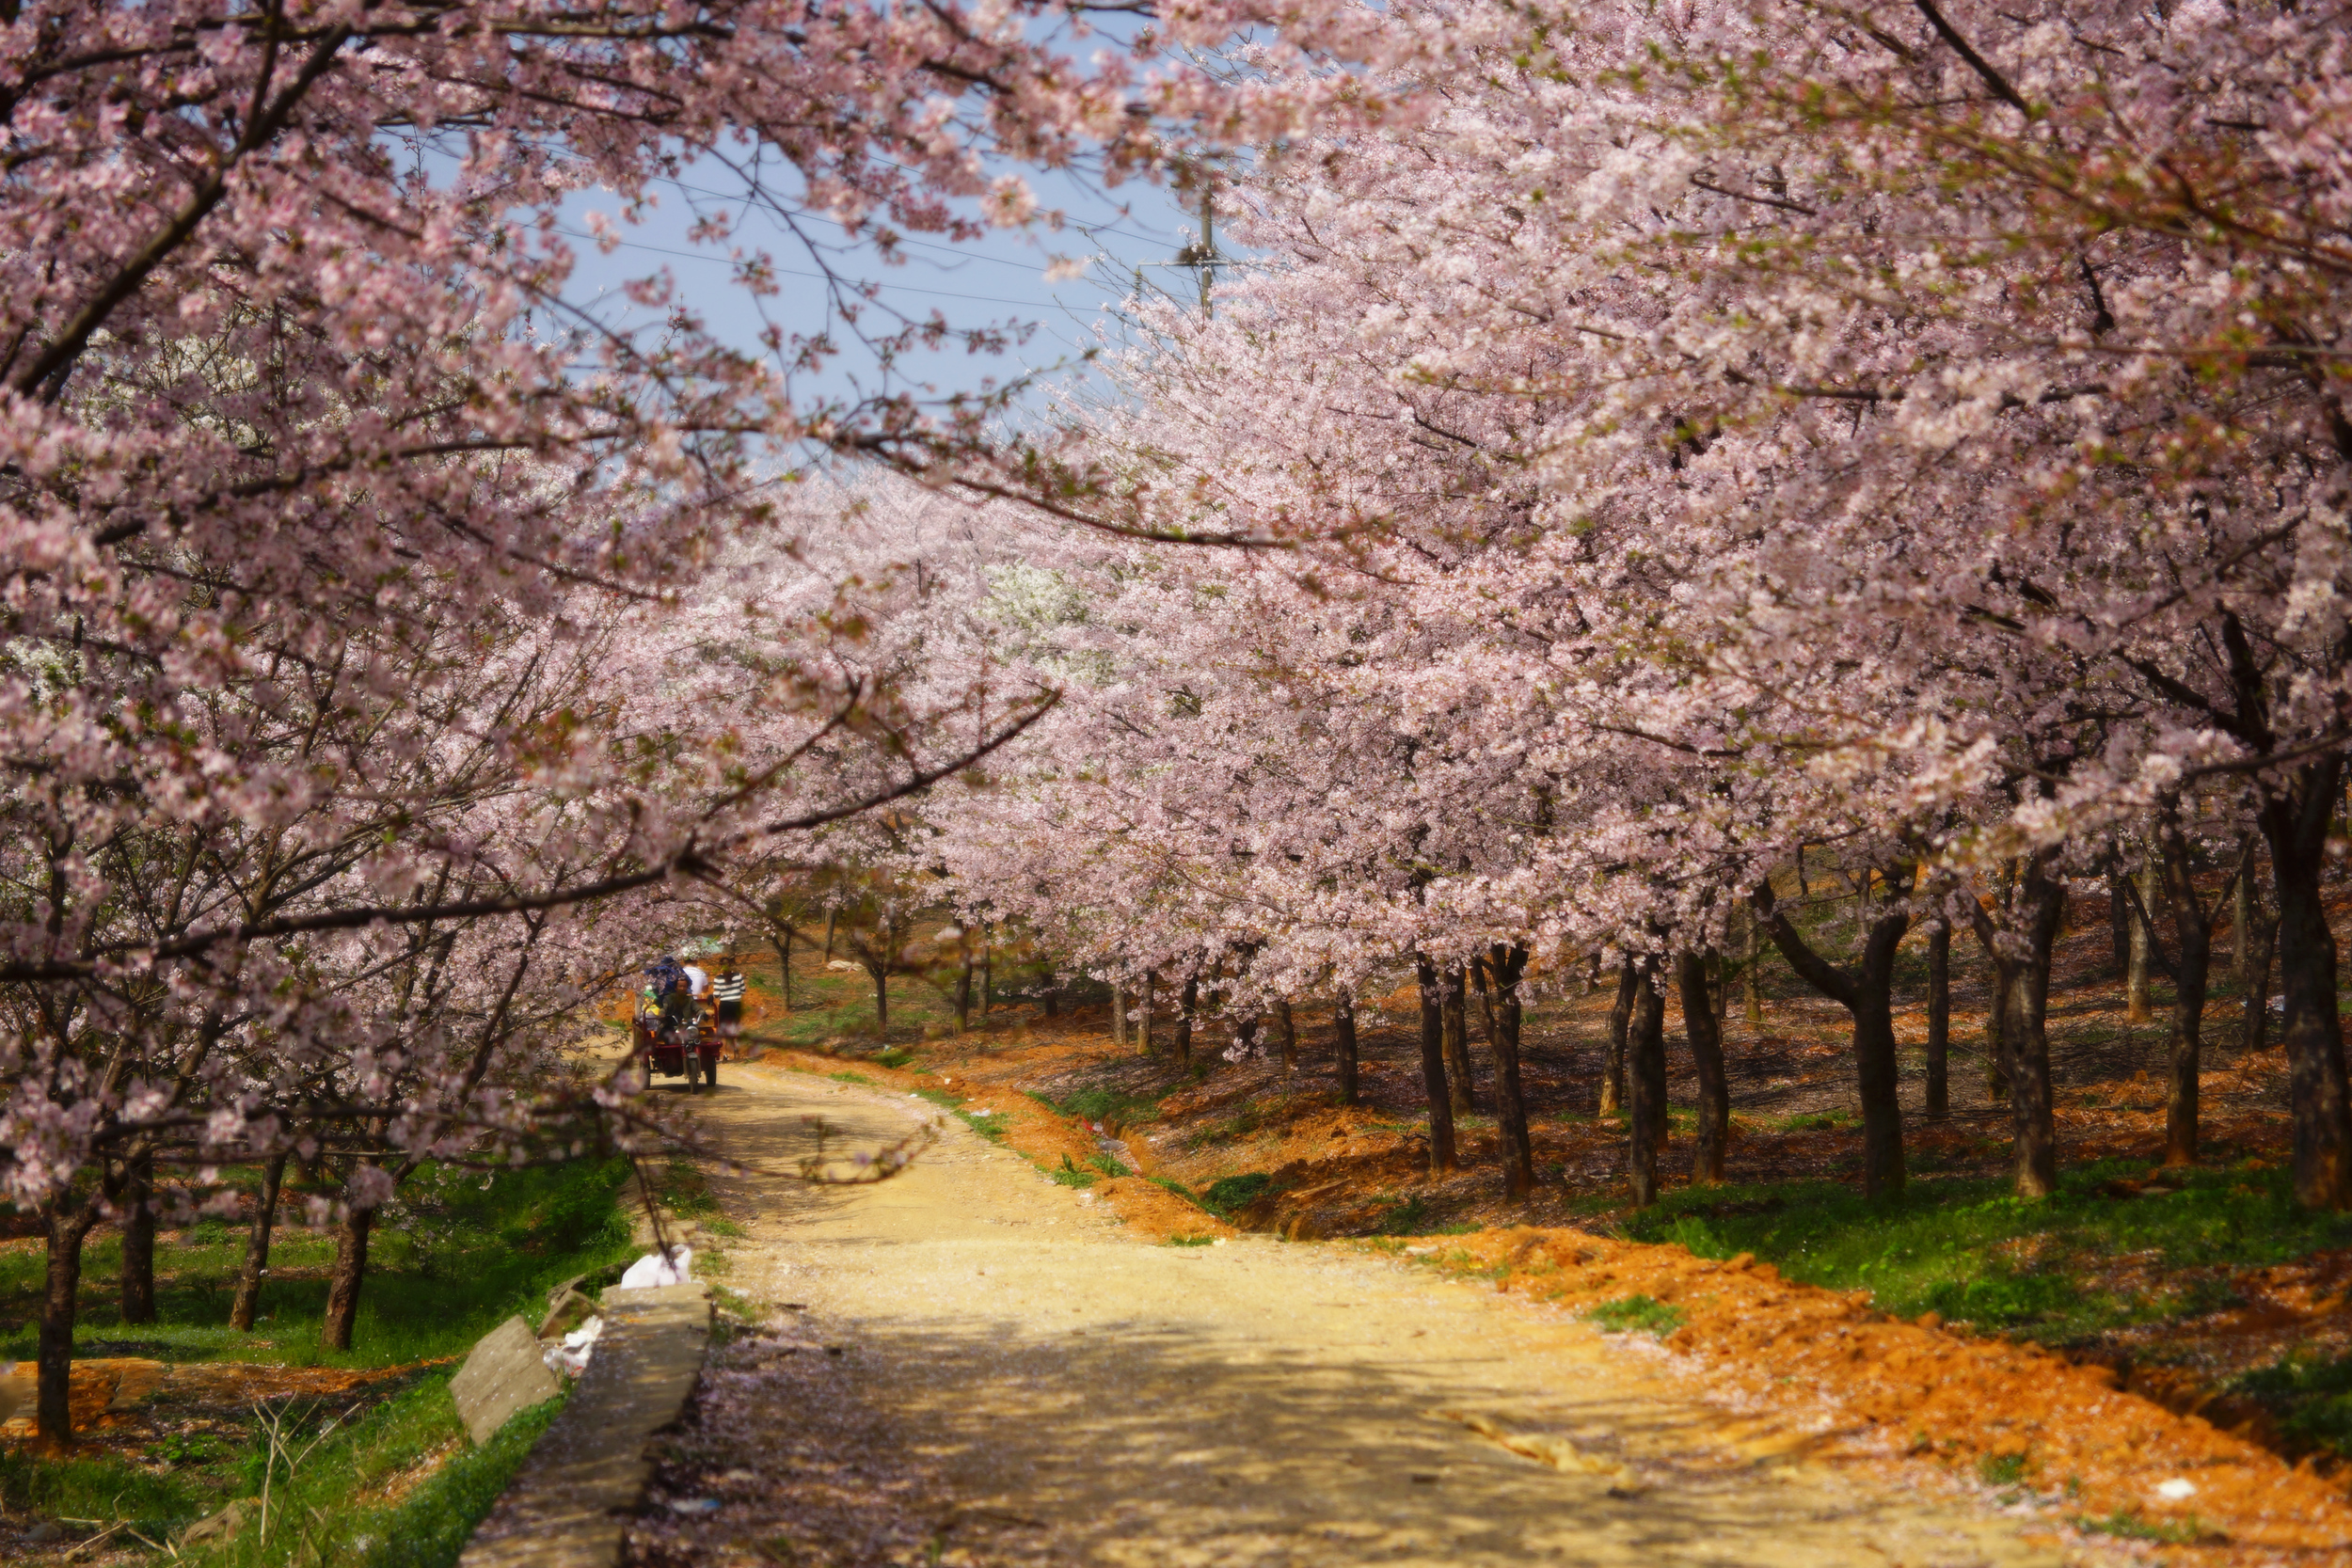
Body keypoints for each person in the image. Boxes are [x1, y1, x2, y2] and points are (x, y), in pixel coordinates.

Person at [712, 958, 747, 1057]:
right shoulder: (738, 976)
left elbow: (717, 995)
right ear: (731, 965)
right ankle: (736, 1050)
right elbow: (743, 990)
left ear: (720, 966)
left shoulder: (718, 978)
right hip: (736, 1004)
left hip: (725, 1005)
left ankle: (725, 1053)